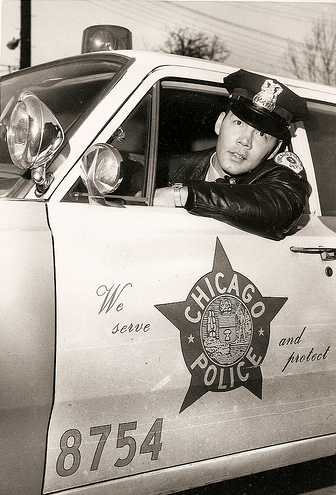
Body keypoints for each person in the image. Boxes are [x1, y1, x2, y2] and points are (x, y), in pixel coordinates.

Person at [154, 69, 310, 241]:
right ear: (219, 123)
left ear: (275, 148)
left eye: (261, 134)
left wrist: (183, 195)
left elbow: (280, 209)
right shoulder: (170, 168)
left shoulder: (281, 177)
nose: (245, 141)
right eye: (238, 123)